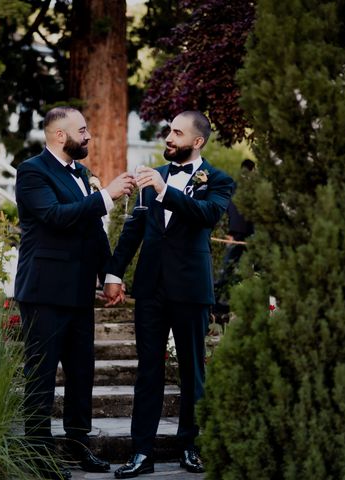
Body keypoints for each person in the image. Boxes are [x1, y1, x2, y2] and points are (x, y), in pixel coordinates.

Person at [104, 111, 234, 477]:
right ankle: (141, 452)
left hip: (191, 289)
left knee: (193, 371)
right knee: (148, 371)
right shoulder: (154, 177)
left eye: (177, 133)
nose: (169, 138)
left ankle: (190, 447)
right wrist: (114, 272)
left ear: (197, 142)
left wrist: (167, 192)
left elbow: (207, 215)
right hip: (150, 288)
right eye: (169, 132)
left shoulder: (218, 180)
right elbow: (134, 228)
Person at [14, 106, 134, 480]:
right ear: (60, 135)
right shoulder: (31, 171)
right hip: (45, 291)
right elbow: (56, 217)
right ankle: (38, 455)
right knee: (41, 375)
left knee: (82, 374)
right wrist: (108, 196)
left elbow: (92, 231)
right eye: (82, 130)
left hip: (80, 291)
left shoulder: (82, 173)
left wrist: (110, 273)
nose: (89, 136)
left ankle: (80, 446)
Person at [214, 159, 255, 308]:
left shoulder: (234, 185)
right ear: (252, 170)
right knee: (229, 266)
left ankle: (220, 299)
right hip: (242, 232)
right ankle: (218, 300)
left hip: (241, 231)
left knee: (231, 266)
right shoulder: (245, 186)